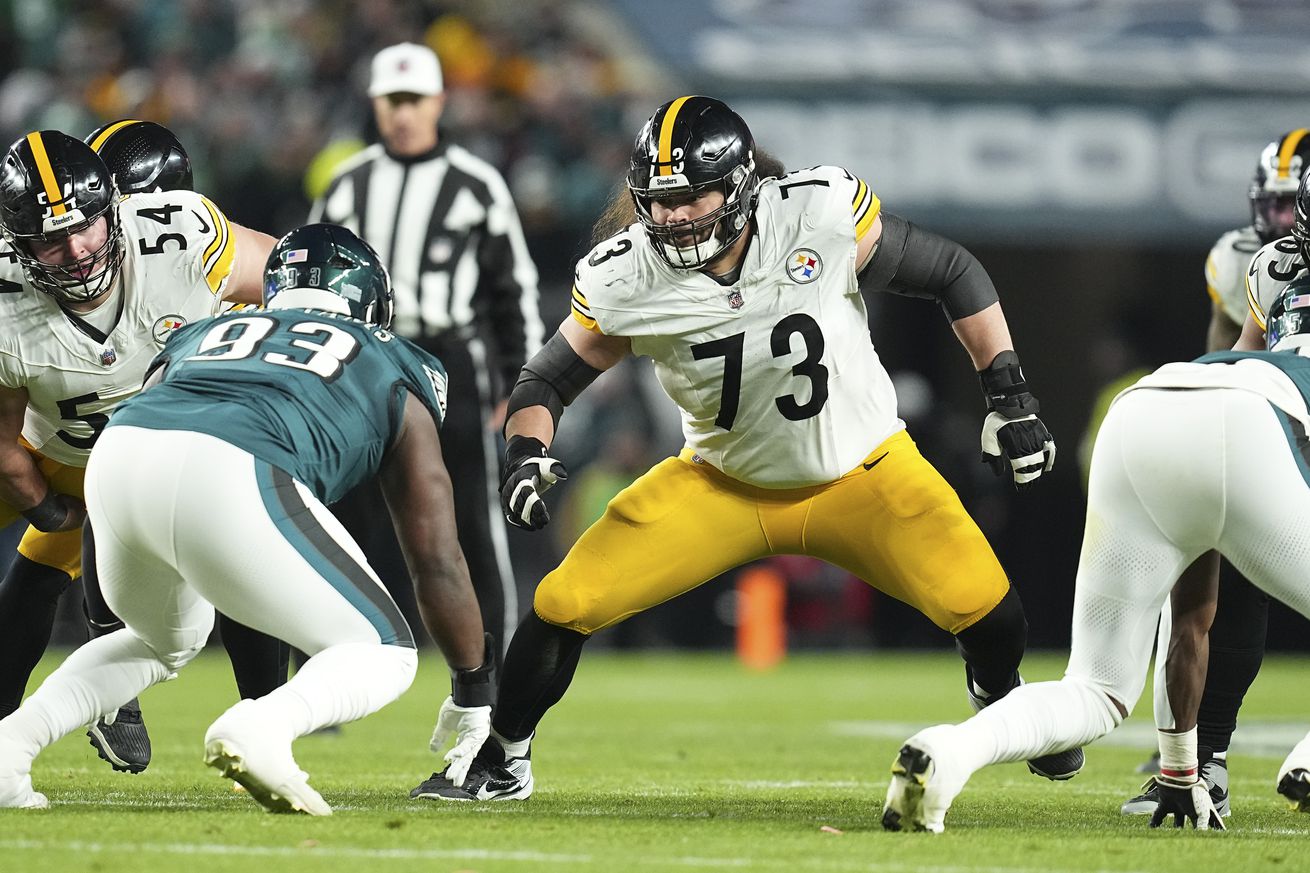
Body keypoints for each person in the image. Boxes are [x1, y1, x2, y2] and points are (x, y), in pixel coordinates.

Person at [409, 94, 1066, 803]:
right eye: (658, 201)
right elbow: (547, 379)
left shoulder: (816, 213)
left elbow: (952, 271)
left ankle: (999, 698)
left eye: (692, 197)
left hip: (865, 471)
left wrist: (1011, 396)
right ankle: (504, 762)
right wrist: (524, 454)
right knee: (564, 602)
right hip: (722, 483)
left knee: (995, 615)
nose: (672, 217)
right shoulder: (624, 274)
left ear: (741, 184)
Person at [0, 223, 495, 813]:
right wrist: (473, 690)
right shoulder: (392, 360)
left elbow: (138, 420)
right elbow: (436, 559)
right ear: (374, 301)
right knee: (385, 650)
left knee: (160, 640)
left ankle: (9, 748)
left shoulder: (201, 332)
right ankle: (262, 725)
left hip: (116, 456)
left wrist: (107, 608)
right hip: (238, 464)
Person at [883, 274, 1310, 833]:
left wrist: (1180, 772)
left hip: (1147, 407)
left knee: (1096, 688)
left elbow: (1191, 617)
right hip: (1252, 421)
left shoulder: (1267, 305)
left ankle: (951, 750)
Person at [0, 129, 275, 775]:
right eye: (48, 239)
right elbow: (3, 450)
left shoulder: (180, 235)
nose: (74, 253)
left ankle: (261, 723)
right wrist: (46, 509)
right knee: (47, 560)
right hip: (43, 452)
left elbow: (289, 282)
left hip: (149, 449)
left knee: (235, 554)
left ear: (117, 210)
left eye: (86, 230)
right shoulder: (8, 303)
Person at [310, 42, 542, 661]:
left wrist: (520, 389)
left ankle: (493, 670)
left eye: (414, 100)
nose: (404, 114)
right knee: (338, 515)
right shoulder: (348, 183)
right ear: (376, 105)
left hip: (451, 363)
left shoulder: (475, 183)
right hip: (361, 359)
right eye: (393, 101)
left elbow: (511, 292)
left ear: (439, 102)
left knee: (473, 520)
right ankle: (331, 664)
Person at [1121, 129, 1310, 817]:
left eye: (1298, 205)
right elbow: (1235, 355)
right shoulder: (1263, 266)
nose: (1286, 221)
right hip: (1278, 428)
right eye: (1282, 206)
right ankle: (1201, 764)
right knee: (1227, 586)